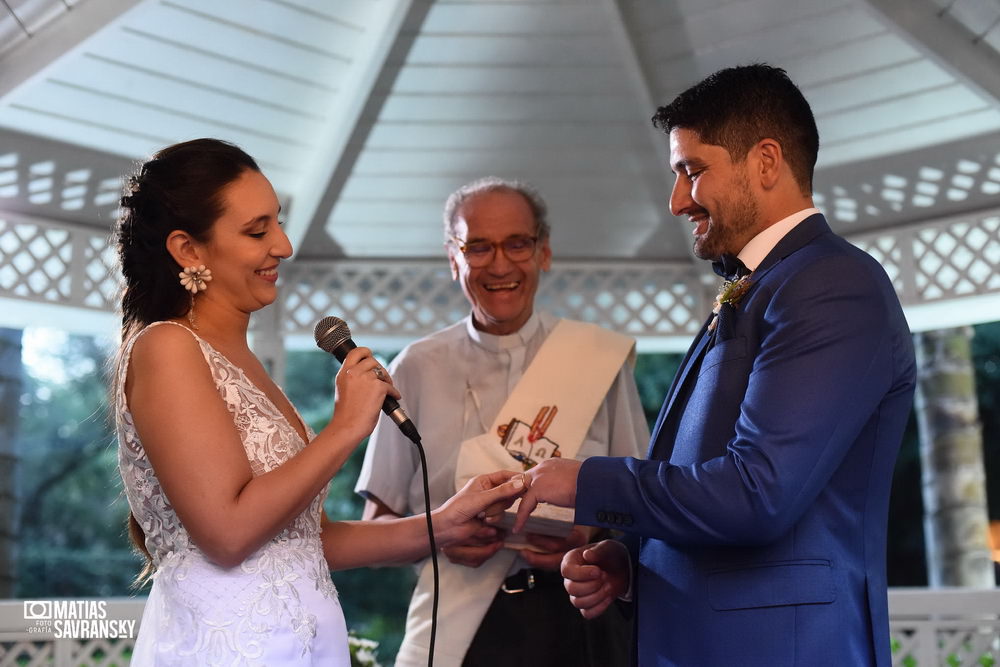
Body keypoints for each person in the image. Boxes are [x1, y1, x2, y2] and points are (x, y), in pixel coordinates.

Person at [513, 64, 917, 666]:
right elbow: (703, 472)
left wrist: (585, 481)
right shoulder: (762, 284)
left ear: (765, 161)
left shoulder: (832, 284)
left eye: (692, 171)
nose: (677, 201)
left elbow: (758, 493)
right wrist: (632, 559)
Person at [113, 138, 526, 666]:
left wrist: (441, 524)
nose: (283, 245)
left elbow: (309, 541)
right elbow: (226, 535)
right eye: (257, 230)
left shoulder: (242, 361)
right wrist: (347, 427)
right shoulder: (167, 347)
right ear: (188, 250)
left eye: (277, 223)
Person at [355, 177, 649, 667]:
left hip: (578, 622)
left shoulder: (599, 360)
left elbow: (640, 503)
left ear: (544, 252)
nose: (499, 264)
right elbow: (376, 527)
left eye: (517, 243)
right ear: (454, 258)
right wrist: (444, 534)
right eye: (478, 247)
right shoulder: (416, 366)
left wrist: (590, 536)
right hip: (456, 630)